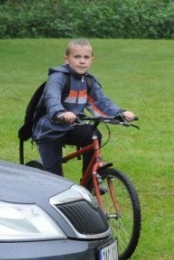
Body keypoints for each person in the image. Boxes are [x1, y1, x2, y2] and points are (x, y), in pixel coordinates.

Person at [33, 38, 136, 176]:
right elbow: (52, 98)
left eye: (86, 57)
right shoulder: (57, 77)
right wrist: (61, 113)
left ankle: (90, 181)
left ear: (92, 60)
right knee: (55, 176)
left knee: (93, 135)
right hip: (50, 130)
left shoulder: (89, 81)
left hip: (74, 125)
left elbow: (101, 102)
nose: (82, 61)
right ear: (66, 59)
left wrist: (120, 113)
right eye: (77, 57)